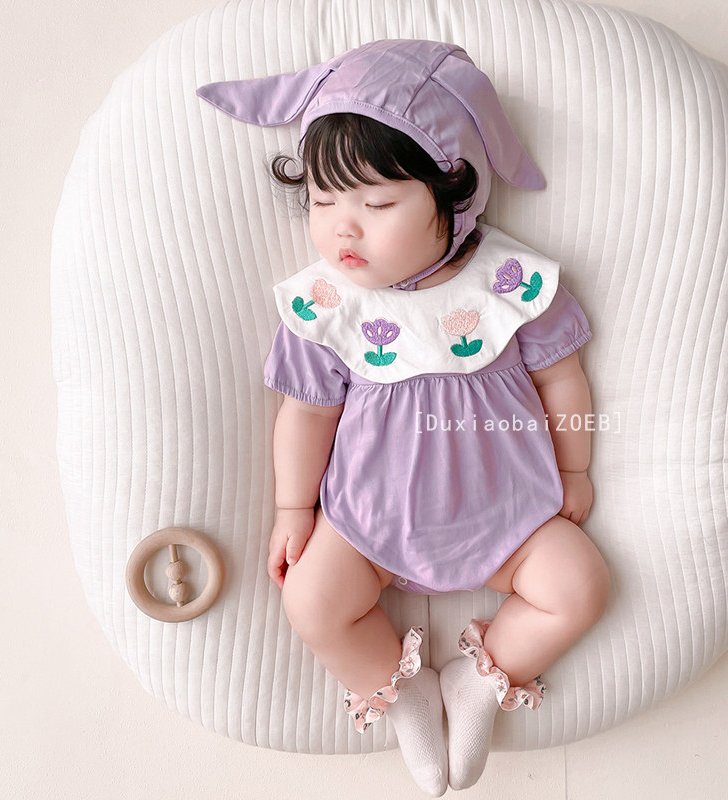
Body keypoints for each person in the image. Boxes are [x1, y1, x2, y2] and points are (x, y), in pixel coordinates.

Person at [197, 38, 611, 797]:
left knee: (581, 585)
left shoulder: (508, 284)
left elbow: (563, 378)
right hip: (369, 525)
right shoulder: (328, 306)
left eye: (377, 204)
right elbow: (305, 414)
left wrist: (575, 466)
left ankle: (483, 679)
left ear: (455, 193)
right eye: (323, 202)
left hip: (512, 517)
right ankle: (401, 690)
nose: (342, 228)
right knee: (311, 603)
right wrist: (294, 508)